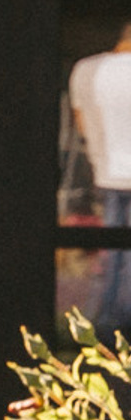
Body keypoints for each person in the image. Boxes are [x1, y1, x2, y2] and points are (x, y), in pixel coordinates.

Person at [70, 25, 131, 341]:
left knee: (111, 258)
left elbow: (81, 123)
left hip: (106, 174)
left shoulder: (87, 69)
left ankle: (105, 326)